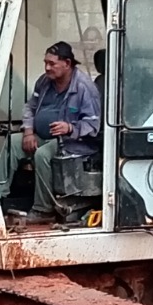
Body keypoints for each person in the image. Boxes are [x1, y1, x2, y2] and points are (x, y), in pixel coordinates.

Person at [20, 40, 101, 221]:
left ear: (67, 64)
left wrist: (70, 127)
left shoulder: (84, 88)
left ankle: (43, 210)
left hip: (73, 142)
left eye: (52, 64)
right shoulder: (44, 82)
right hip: (40, 135)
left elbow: (93, 125)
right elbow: (30, 107)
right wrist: (28, 131)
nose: (47, 68)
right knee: (11, 145)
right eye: (45, 63)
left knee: (41, 155)